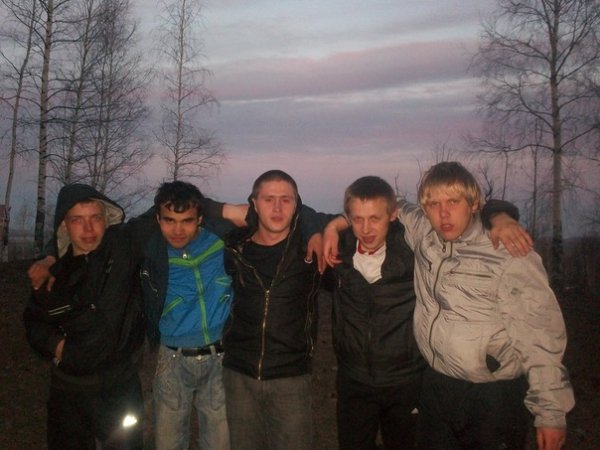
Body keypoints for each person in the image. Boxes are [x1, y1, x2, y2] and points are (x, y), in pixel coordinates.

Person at [323, 175, 531, 450]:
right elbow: (301, 225)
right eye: (357, 219)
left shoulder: (414, 246)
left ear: (393, 216)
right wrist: (328, 228)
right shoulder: (338, 250)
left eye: (375, 218)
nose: (366, 228)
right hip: (354, 381)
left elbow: (467, 214)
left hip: (407, 381)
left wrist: (500, 215)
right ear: (349, 218)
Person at [396, 162, 574, 450]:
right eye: (433, 204)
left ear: (474, 204)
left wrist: (550, 412)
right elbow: (387, 202)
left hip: (493, 398)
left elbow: (540, 332)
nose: (443, 213)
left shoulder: (508, 251)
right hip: (437, 386)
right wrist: (334, 227)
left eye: (453, 201)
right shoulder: (424, 234)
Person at [23, 184, 147, 450]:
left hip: (119, 389)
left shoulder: (124, 251)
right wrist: (58, 345)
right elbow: (34, 322)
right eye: (77, 220)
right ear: (64, 225)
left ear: (107, 220)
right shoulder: (53, 275)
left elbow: (163, 212)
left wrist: (224, 211)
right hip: (68, 391)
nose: (88, 229)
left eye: (95, 218)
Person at [221, 169, 322, 450]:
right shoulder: (234, 248)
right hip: (239, 374)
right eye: (268, 199)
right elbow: (186, 207)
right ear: (254, 204)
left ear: (297, 204)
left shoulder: (310, 251)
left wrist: (322, 229)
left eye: (285, 200)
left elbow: (351, 219)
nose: (277, 208)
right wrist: (227, 209)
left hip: (291, 378)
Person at [141, 181, 234, 450]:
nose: (178, 230)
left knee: (220, 443)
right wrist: (50, 256)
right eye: (169, 220)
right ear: (157, 219)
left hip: (220, 357)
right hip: (171, 360)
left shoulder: (221, 243)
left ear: (200, 219)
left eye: (187, 221)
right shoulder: (151, 253)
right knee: (168, 443)